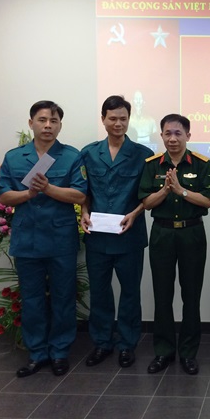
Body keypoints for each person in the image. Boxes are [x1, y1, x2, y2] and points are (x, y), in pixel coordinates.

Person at [0, 101, 87, 378]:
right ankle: (37, 354)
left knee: (63, 298)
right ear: (31, 123)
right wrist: (28, 194)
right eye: (42, 120)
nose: (48, 125)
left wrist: (48, 188)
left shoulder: (71, 156)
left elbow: (80, 195)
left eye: (54, 121)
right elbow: (4, 196)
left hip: (61, 240)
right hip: (27, 239)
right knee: (32, 299)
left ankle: (59, 352)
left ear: (60, 125)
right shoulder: (14, 157)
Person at [138, 114, 210, 375]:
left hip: (191, 233)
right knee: (162, 295)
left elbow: (208, 201)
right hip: (162, 234)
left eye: (178, 133)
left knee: (191, 295)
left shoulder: (202, 163)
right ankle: (163, 351)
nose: (172, 139)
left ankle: (188, 352)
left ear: (188, 135)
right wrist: (165, 190)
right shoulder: (152, 164)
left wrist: (181, 190)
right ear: (161, 136)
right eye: (167, 133)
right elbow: (146, 203)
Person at [80, 95, 153, 369]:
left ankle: (126, 344)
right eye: (112, 118)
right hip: (97, 237)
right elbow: (83, 191)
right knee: (99, 292)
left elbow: (149, 194)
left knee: (130, 293)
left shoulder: (144, 155)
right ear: (103, 119)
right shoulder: (88, 153)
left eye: (123, 118)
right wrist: (83, 211)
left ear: (129, 120)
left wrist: (136, 213)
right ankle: (102, 342)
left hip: (129, 237)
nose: (118, 123)